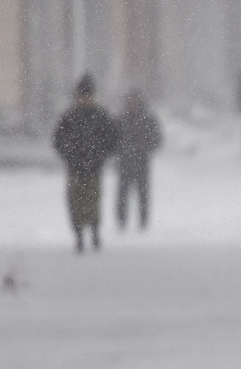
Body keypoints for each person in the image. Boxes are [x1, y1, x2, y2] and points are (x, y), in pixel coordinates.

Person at [52, 74, 118, 253]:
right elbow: (58, 141)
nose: (84, 99)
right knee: (75, 203)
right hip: (75, 169)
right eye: (81, 95)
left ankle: (94, 231)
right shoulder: (69, 117)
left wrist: (100, 156)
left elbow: (112, 139)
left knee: (93, 201)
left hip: (94, 169)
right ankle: (79, 234)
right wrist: (71, 156)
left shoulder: (100, 116)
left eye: (87, 95)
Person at [115, 89, 163, 231]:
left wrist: (144, 147)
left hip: (142, 162)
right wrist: (121, 150)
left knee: (143, 194)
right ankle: (121, 221)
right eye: (130, 101)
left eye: (135, 101)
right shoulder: (121, 120)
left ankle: (143, 221)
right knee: (122, 194)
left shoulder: (147, 120)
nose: (132, 104)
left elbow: (156, 140)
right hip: (124, 163)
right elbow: (112, 139)